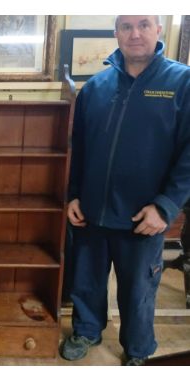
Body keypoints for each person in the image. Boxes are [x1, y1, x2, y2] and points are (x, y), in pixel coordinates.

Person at [60, 15, 190, 366]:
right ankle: (87, 330)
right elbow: (81, 148)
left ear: (158, 30)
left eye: (144, 25)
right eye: (127, 26)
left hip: (142, 216)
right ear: (116, 31)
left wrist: (164, 207)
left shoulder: (182, 83)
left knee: (137, 292)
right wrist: (73, 195)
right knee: (86, 282)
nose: (135, 34)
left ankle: (137, 350)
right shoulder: (96, 88)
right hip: (92, 211)